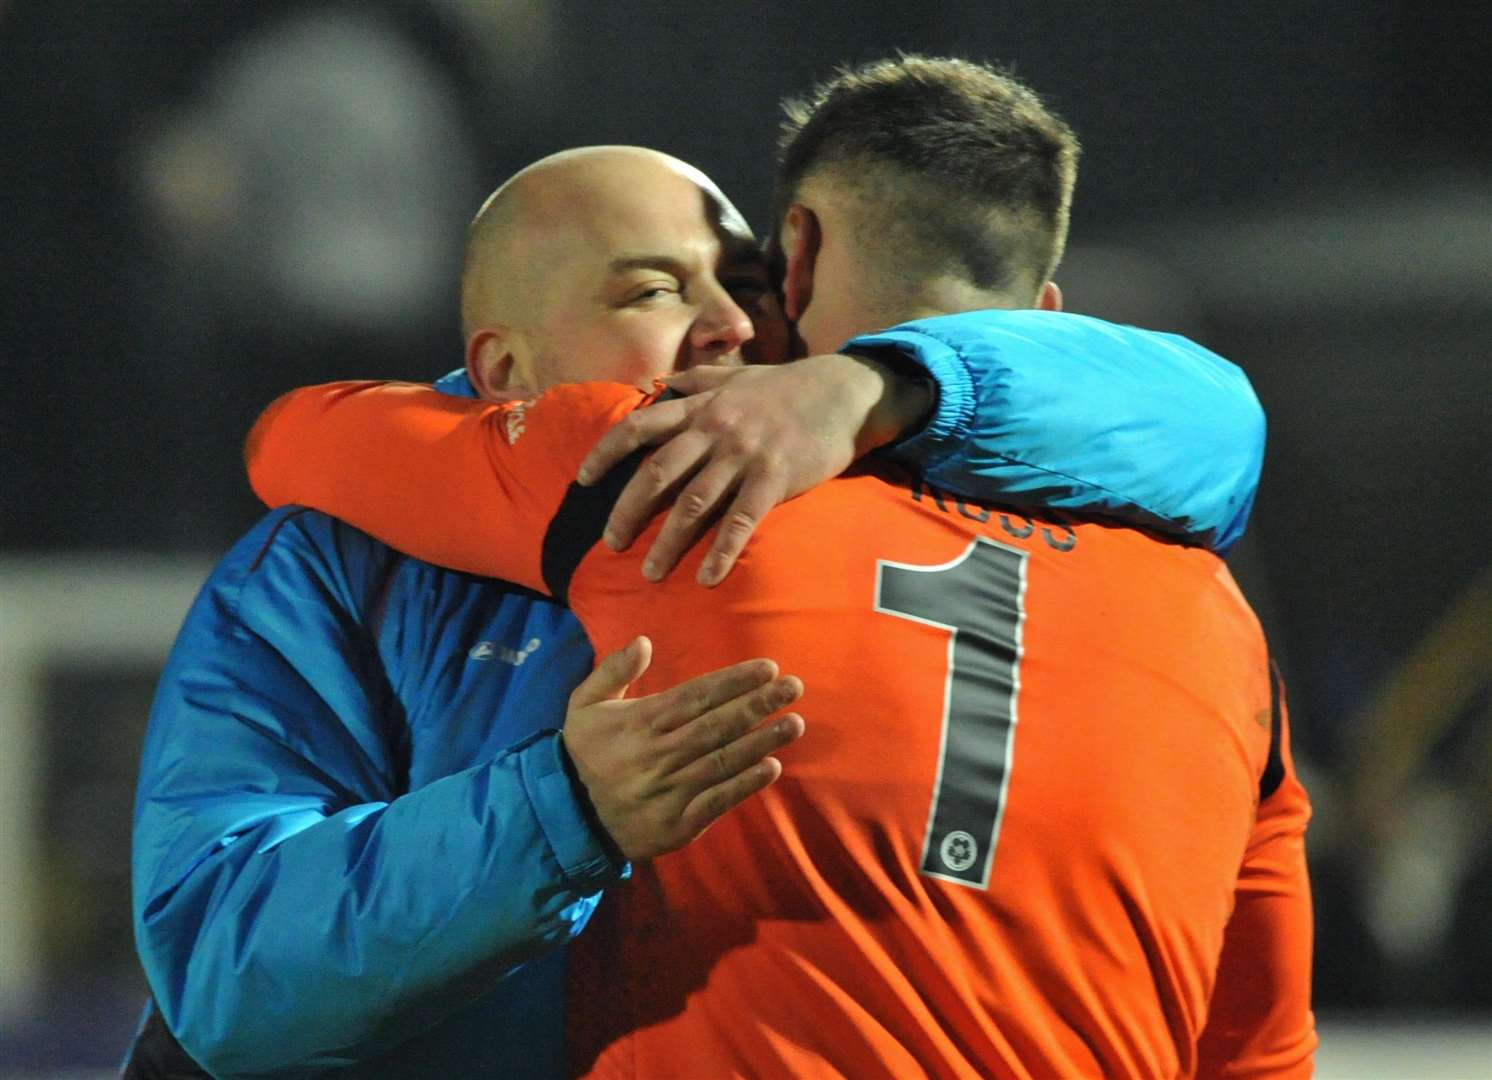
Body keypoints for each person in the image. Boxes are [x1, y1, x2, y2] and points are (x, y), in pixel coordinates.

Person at [246, 57, 1313, 1078]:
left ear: (793, 255)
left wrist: (531, 409)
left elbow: (296, 437)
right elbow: (1258, 1048)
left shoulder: (668, 466)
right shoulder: (1222, 627)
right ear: (1045, 325)